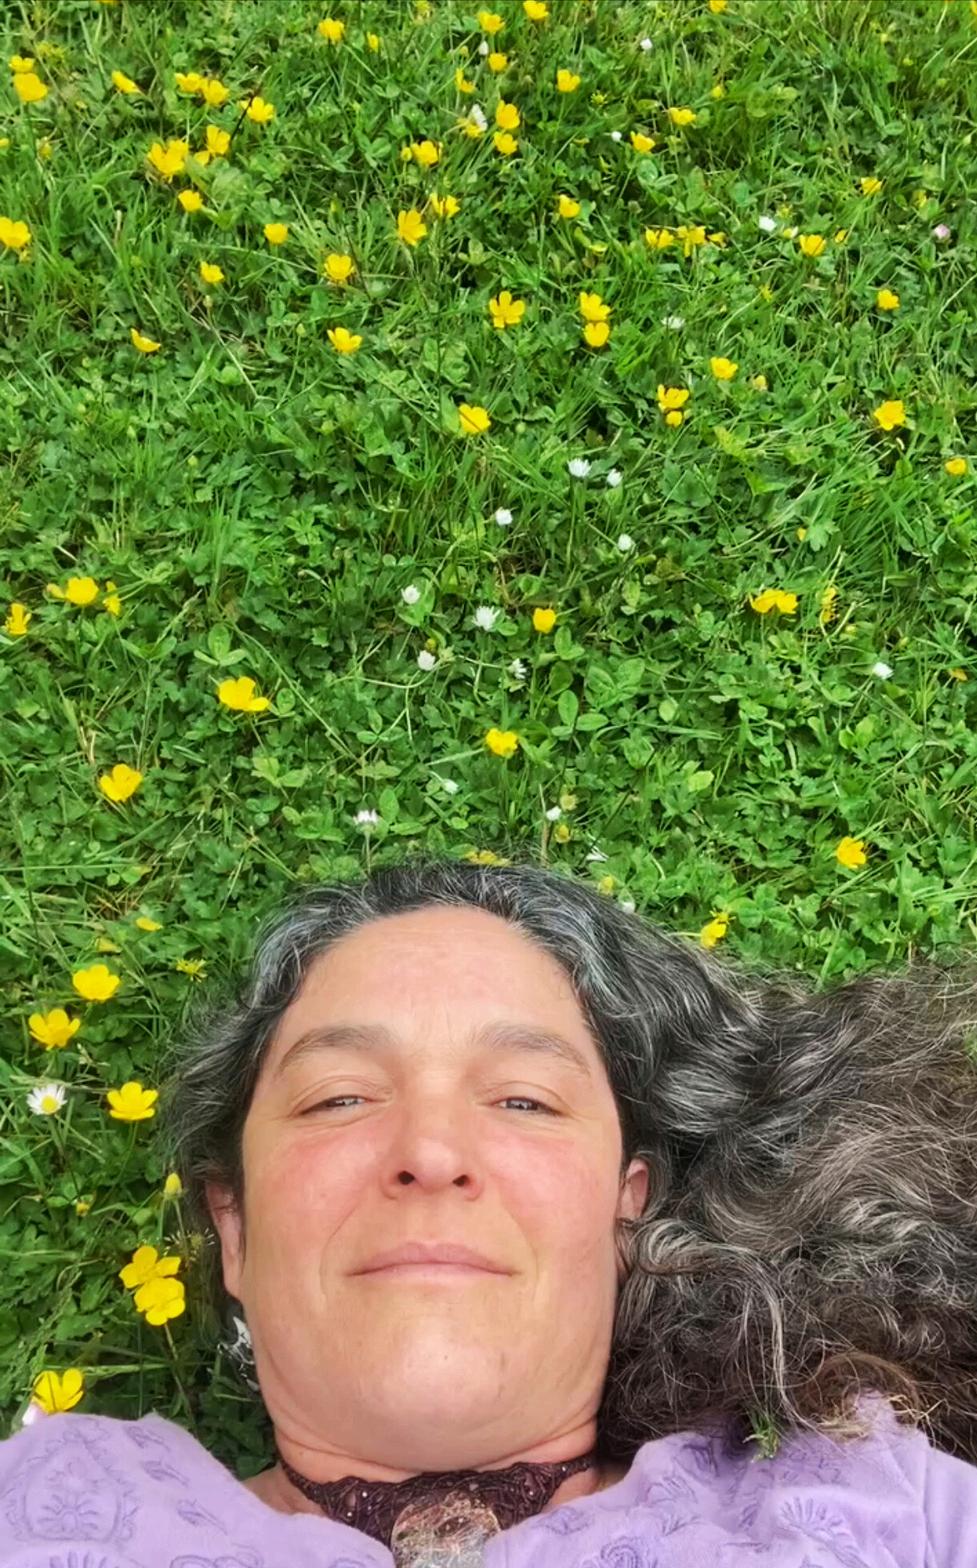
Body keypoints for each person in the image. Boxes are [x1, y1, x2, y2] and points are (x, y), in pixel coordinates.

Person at [2, 857, 977, 1567]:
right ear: (235, 1231)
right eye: (338, 1096)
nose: (430, 1152)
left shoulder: (888, 1512)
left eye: (523, 1099)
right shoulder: (36, 1508)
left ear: (626, 1211)